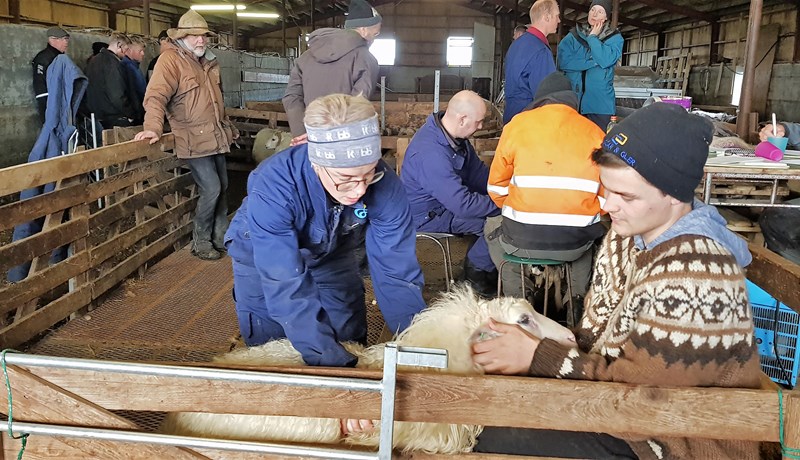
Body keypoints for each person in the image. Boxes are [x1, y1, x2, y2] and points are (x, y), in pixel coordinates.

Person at [472, 103, 762, 459]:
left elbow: (643, 404)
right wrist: (541, 338)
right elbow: (606, 343)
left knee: (486, 431)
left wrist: (537, 356)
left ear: (674, 195)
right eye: (606, 189)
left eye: (626, 196)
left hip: (671, 442)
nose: (607, 206)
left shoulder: (697, 272)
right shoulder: (630, 237)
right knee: (492, 402)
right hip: (624, 414)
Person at [223, 93, 427, 367]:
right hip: (261, 256)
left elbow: (396, 272)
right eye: (346, 178)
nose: (359, 190)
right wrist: (328, 360)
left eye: (369, 174)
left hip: (332, 250)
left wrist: (420, 346)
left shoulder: (386, 186)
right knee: (272, 348)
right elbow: (284, 281)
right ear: (316, 162)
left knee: (347, 332)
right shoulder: (275, 185)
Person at [486, 72, 605, 301]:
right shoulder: (595, 132)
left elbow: (496, 187)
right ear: (572, 100)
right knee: (586, 245)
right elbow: (608, 195)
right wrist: (587, 213)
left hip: (521, 240)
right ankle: (576, 302)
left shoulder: (516, 126)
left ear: (540, 99)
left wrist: (519, 208)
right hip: (574, 243)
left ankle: (519, 299)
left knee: (491, 227)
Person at [134, 10, 239, 261]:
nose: (201, 40)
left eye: (204, 35)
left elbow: (216, 101)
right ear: (181, 37)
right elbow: (156, 96)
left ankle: (220, 237)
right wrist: (153, 127)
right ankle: (201, 242)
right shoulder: (170, 61)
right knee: (212, 188)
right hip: (192, 137)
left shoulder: (209, 61)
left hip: (215, 135)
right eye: (194, 35)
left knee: (223, 186)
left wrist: (228, 127)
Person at [401, 90, 500, 297]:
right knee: (499, 225)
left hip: (446, 204)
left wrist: (505, 189)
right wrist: (505, 204)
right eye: (479, 122)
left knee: (498, 218)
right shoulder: (430, 153)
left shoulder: (456, 140)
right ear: (462, 119)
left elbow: (478, 174)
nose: (480, 127)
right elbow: (462, 204)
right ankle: (474, 277)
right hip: (429, 217)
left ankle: (480, 263)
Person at [283, 0, 381, 138]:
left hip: (308, 137)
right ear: (364, 30)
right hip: (343, 140)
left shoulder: (305, 57)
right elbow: (359, 103)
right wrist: (336, 136)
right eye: (375, 34)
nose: (374, 39)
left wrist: (302, 133)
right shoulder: (366, 59)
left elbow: (291, 97)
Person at [557, 0, 623, 130]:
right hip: (573, 101)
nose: (595, 14)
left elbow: (605, 60)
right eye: (592, 10)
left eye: (600, 11)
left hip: (600, 105)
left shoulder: (615, 38)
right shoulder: (574, 36)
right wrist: (592, 62)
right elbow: (564, 62)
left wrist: (592, 38)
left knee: (599, 140)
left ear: (606, 17)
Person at [502, 0, 560, 124]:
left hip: (511, 116)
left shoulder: (516, 44)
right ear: (547, 17)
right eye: (556, 16)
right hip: (529, 120)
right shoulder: (540, 50)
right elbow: (545, 95)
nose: (559, 20)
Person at [85, 33, 136, 129]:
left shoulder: (93, 61)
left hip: (97, 117)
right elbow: (117, 95)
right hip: (114, 118)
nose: (125, 54)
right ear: (119, 45)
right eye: (125, 50)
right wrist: (130, 114)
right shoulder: (113, 64)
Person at [32, 27, 70, 124]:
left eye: (67, 39)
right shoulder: (43, 58)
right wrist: (48, 107)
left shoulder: (61, 58)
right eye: (63, 39)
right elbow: (40, 84)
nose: (66, 42)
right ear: (52, 40)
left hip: (63, 103)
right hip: (51, 105)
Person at [121, 35, 147, 124]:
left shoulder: (135, 67)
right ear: (129, 50)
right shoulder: (127, 67)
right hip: (136, 114)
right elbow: (132, 92)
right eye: (140, 51)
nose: (143, 54)